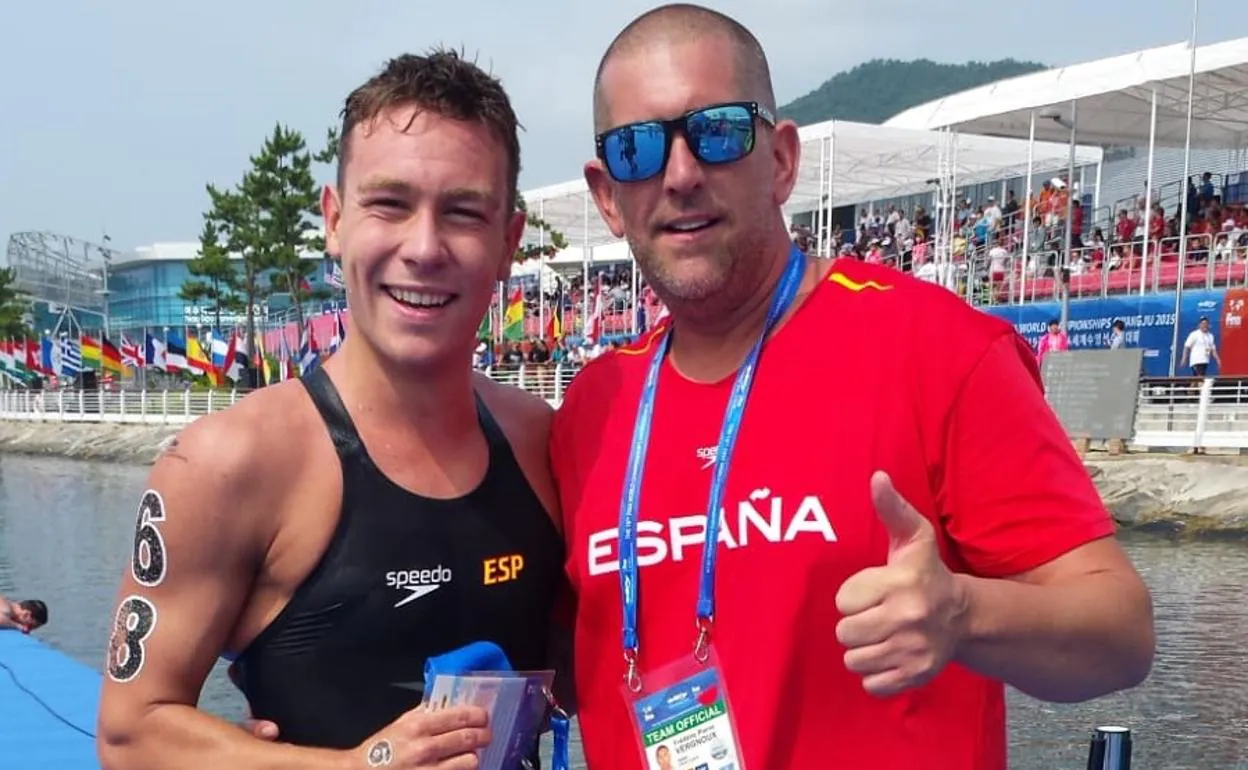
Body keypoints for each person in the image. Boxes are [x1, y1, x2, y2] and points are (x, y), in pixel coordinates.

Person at [550, 5, 1155, 770]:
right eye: (637, 148)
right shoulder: (592, 409)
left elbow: (1122, 633)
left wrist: (965, 615)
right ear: (607, 196)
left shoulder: (937, 349)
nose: (680, 174)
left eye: (719, 130)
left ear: (780, 160)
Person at [97, 49, 568, 770]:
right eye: (390, 203)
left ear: (508, 242)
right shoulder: (228, 464)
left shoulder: (543, 442)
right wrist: (354, 767)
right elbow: (130, 736)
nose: (424, 247)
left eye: (464, 213)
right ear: (335, 218)